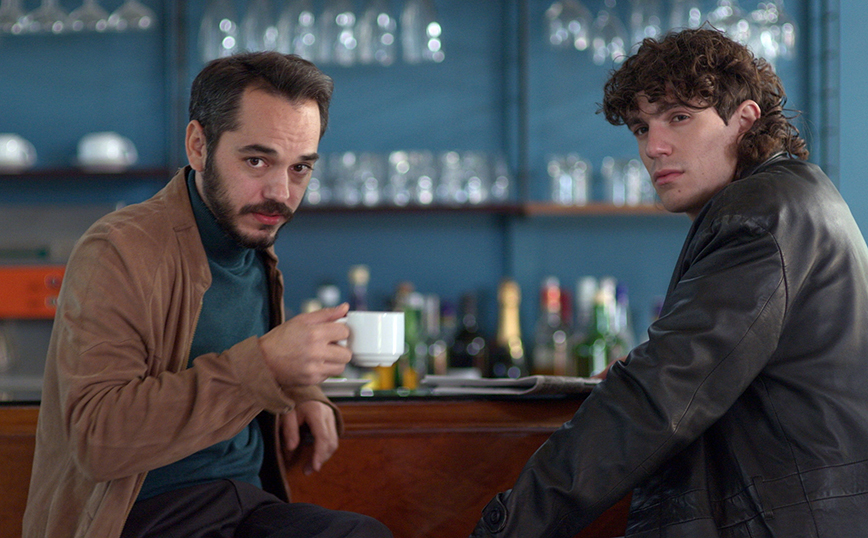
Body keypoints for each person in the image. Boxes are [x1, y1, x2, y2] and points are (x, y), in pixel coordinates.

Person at [472, 27, 868, 538]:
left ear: (744, 120)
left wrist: (507, 528)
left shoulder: (759, 214)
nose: (654, 147)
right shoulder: (793, 196)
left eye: (679, 117)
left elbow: (660, 400)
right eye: (641, 127)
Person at [23, 52, 392, 538]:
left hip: (241, 505)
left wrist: (301, 393)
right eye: (256, 161)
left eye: (300, 168)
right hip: (140, 518)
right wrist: (266, 368)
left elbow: (232, 351)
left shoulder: (250, 244)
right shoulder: (118, 249)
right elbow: (98, 439)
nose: (281, 192)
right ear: (199, 146)